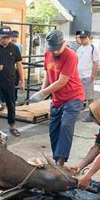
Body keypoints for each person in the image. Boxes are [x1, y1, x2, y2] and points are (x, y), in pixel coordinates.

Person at [29, 30, 84, 167]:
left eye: (57, 49)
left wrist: (43, 93)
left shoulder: (71, 56)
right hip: (57, 99)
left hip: (73, 97)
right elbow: (48, 74)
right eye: (52, 49)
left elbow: (62, 81)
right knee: (53, 130)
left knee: (65, 126)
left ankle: (60, 163)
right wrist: (43, 91)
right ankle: (56, 160)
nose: (55, 52)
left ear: (63, 43)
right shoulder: (49, 53)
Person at [0, 26, 25, 139]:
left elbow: (19, 65)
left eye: (8, 37)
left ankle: (12, 126)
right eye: (3, 37)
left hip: (10, 81)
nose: (6, 40)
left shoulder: (15, 48)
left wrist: (22, 80)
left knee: (11, 105)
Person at [76, 30, 99, 121]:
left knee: (89, 97)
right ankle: (75, 114)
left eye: (84, 37)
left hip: (87, 76)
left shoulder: (93, 48)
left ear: (89, 37)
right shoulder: (79, 48)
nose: (82, 39)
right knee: (77, 96)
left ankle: (92, 115)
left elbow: (96, 63)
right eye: (81, 37)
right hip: (78, 76)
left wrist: (93, 76)